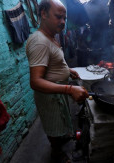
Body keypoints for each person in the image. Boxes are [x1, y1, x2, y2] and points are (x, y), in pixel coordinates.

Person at [25, 0, 89, 162]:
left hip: (57, 95)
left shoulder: (51, 37)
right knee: (54, 128)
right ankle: (57, 154)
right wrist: (69, 89)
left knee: (60, 125)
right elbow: (36, 81)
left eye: (64, 18)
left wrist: (68, 71)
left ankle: (61, 143)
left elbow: (53, 63)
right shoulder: (40, 41)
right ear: (44, 14)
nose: (62, 22)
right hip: (50, 99)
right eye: (58, 17)